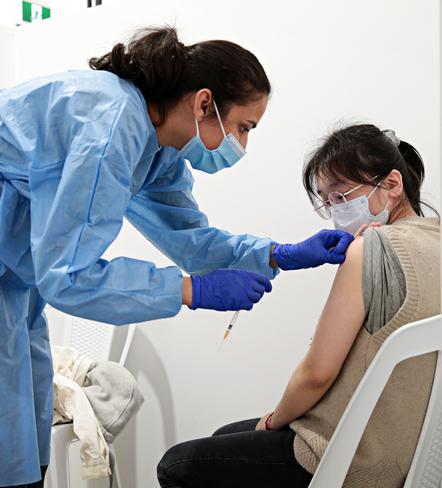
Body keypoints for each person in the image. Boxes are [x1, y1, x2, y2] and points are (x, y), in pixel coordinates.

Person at [0, 27, 352, 488]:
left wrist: (278, 254)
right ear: (204, 102)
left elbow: (191, 239)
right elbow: (69, 277)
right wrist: (192, 291)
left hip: (5, 271)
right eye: (243, 128)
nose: (241, 145)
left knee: (25, 431)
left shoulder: (158, 148)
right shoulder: (110, 126)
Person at [157, 124, 440, 488]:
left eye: (341, 196)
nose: (337, 211)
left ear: (392, 184)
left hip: (349, 459)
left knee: (177, 465)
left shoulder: (369, 247)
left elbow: (316, 374)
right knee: (224, 437)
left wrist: (272, 421)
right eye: (327, 202)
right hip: (416, 457)